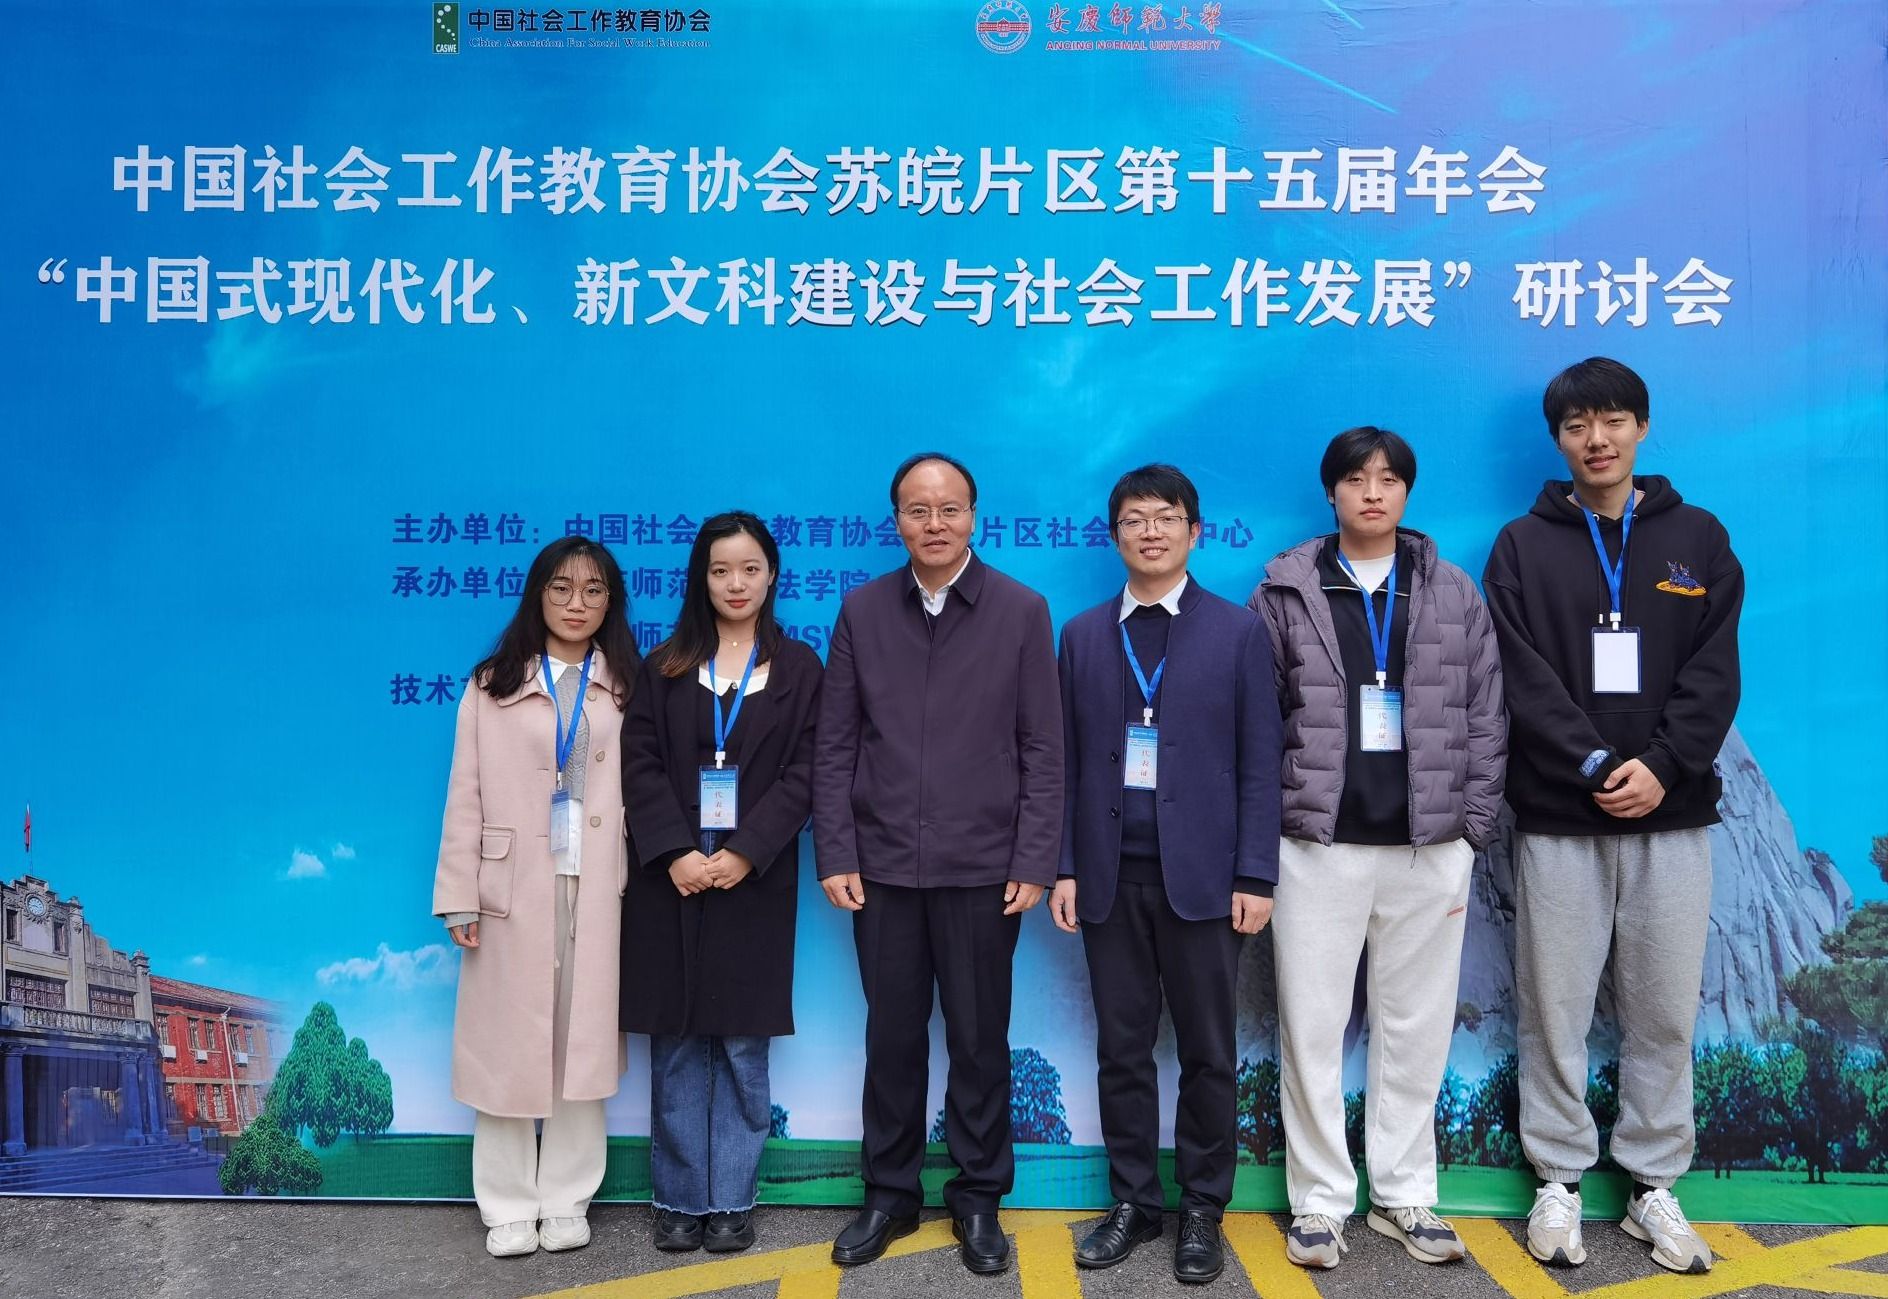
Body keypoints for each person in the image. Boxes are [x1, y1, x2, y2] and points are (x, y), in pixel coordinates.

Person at [1483, 358, 1742, 1276]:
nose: (1596, 439)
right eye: (1577, 425)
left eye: (1613, 419)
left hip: (1672, 817)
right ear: (1558, 439)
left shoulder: (1699, 538)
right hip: (1562, 816)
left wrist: (1663, 766)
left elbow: (1715, 671)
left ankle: (1651, 1184)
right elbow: (1519, 673)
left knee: (1663, 1007)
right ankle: (1557, 1177)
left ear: (1642, 426)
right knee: (1553, 1007)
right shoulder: (1522, 546)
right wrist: (1593, 762)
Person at [1253, 428, 1506, 1271]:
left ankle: (1403, 1192)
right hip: (1317, 845)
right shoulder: (1286, 591)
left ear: (1406, 492)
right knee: (1312, 1026)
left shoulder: (1452, 591)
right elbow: (1259, 718)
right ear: (1330, 491)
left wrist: (1470, 828)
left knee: (1416, 1027)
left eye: (1389, 478)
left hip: (1426, 846)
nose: (1372, 491)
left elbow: (1486, 713)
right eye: (1356, 478)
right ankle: (1320, 1202)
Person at [814, 452, 1064, 1276]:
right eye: (918, 510)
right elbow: (835, 743)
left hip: (984, 867)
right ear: (897, 521)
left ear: (973, 516)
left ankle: (979, 1195)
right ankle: (888, 1192)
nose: (934, 523)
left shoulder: (1021, 610)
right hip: (882, 864)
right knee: (891, 1037)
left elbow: (1043, 745)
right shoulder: (863, 610)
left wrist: (1034, 856)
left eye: (949, 508)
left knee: (979, 1039)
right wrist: (837, 848)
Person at [1051, 464, 1281, 1285]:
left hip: (1208, 882)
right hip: (1109, 877)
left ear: (1194, 531)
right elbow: (1065, 761)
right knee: (1123, 1048)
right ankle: (1134, 1201)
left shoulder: (1237, 631)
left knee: (1209, 1050)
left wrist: (1256, 874)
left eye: (1166, 517)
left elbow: (1261, 761)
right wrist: (1065, 866)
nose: (1150, 531)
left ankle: (1202, 1207)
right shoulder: (1083, 635)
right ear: (1115, 535)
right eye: (1134, 519)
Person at [620, 512, 822, 1256]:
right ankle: (677, 1199)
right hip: (670, 880)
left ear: (772, 576)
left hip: (753, 881)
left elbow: (808, 771)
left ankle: (732, 1199)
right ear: (700, 579)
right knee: (676, 1044)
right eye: (720, 570)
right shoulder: (666, 664)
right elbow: (638, 761)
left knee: (741, 1046)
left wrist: (746, 851)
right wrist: (674, 850)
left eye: (750, 569)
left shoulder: (799, 669)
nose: (736, 584)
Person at [432, 537, 639, 1258]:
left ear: (611, 601)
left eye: (593, 590)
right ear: (538, 595)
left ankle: (568, 1197)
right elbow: (464, 793)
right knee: (508, 1044)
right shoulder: (492, 683)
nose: (577, 603)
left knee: (583, 1041)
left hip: (598, 878)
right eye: (561, 588)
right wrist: (459, 894)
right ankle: (508, 1202)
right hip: (512, 882)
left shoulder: (627, 684)